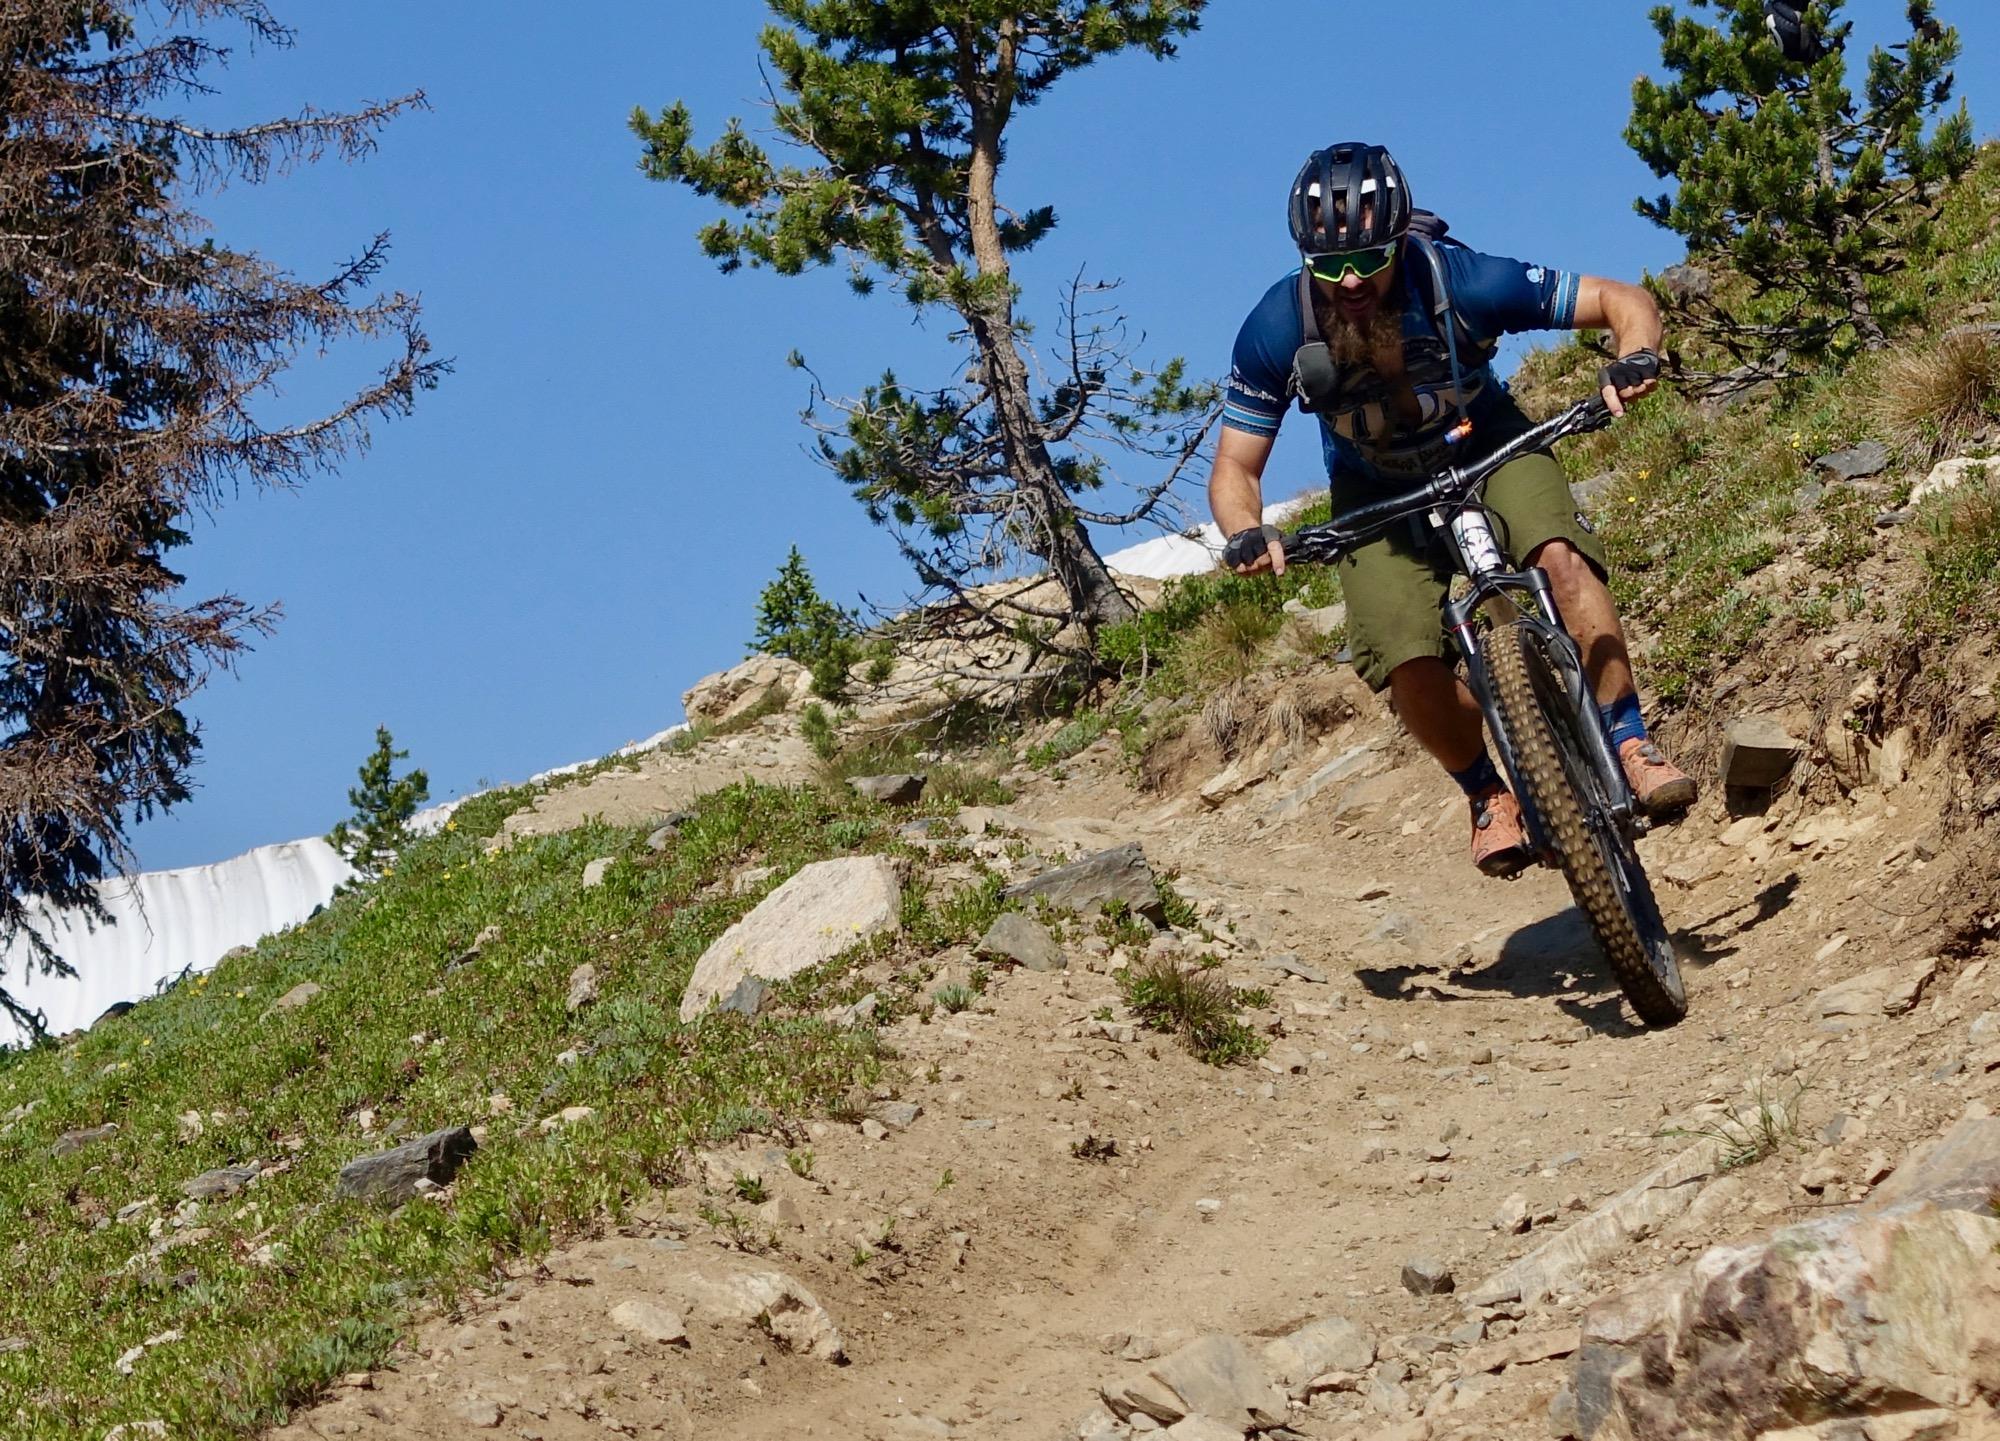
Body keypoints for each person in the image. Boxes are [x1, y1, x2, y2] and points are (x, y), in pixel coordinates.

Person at [1209, 142, 1697, 877]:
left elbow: (1619, 301)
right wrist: (1245, 531)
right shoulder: (1276, 328)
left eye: (1368, 260)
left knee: (1559, 561)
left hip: (1492, 445)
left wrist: (1637, 354)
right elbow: (1235, 469)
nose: (1348, 283)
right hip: (1375, 493)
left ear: (1399, 242)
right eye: (1327, 265)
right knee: (1404, 652)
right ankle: (1486, 794)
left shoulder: (1461, 279)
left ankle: (1629, 741)